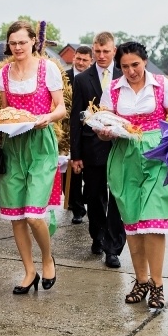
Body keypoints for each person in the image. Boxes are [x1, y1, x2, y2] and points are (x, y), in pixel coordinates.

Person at [96, 41, 168, 309]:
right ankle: (141, 280)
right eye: (124, 66)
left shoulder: (161, 85)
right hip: (125, 157)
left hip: (157, 154)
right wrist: (104, 131)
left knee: (154, 219)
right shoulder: (112, 90)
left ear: (144, 61)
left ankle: (157, 285)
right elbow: (103, 125)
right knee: (133, 222)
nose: (131, 71)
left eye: (135, 64)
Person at [0, 20, 66, 294]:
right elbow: (5, 112)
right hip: (13, 144)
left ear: (33, 42)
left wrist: (45, 117)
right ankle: (29, 271)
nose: (17, 47)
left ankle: (47, 258)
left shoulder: (47, 68)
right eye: (13, 43)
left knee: (34, 214)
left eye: (22, 42)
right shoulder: (4, 74)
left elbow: (60, 108)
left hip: (40, 143)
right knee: (16, 214)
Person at [70, 34, 126, 267]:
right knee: (94, 197)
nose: (101, 56)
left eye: (106, 52)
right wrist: (76, 155)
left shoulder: (125, 76)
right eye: (97, 52)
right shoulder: (82, 79)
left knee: (117, 198)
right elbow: (75, 118)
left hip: (120, 146)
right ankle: (97, 235)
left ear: (114, 50)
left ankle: (113, 247)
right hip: (91, 148)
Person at [63, 45, 92, 224]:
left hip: (89, 130)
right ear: (74, 58)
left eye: (84, 60)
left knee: (88, 170)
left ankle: (87, 200)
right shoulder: (63, 77)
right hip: (67, 129)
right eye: (78, 59)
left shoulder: (93, 79)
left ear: (90, 61)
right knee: (71, 172)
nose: (80, 63)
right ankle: (76, 207)